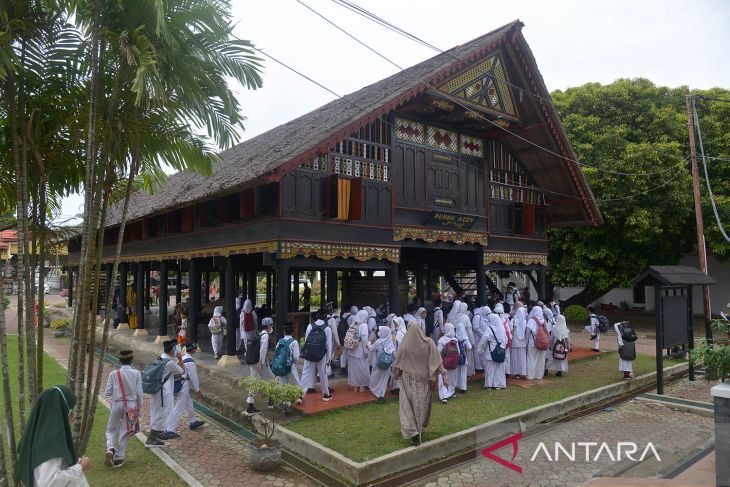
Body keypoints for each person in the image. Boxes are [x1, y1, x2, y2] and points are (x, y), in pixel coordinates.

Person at [17, 385, 91, 487]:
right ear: (60, 412)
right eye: (70, 410)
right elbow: (48, 482)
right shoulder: (52, 442)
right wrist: (80, 467)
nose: (73, 415)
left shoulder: (36, 435)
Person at [393, 322, 447, 446]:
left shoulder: (404, 345)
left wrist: (396, 374)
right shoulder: (428, 343)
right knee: (420, 404)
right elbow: (437, 360)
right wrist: (443, 374)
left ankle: (413, 432)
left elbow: (398, 363)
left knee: (406, 406)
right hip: (422, 380)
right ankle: (417, 431)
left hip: (407, 380)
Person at [104, 350, 143, 468]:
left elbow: (108, 392)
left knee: (111, 429)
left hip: (117, 404)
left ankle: (111, 448)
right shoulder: (137, 373)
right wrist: (138, 408)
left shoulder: (113, 374)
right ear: (131, 360)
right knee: (125, 430)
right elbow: (139, 394)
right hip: (131, 405)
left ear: (119, 360)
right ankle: (119, 457)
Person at [146, 340, 185, 446]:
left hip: (157, 391)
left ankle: (158, 435)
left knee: (157, 412)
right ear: (172, 350)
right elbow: (182, 371)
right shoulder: (169, 363)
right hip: (164, 393)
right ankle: (151, 439)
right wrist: (180, 358)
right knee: (162, 413)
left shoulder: (160, 358)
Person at [165, 342, 205, 436]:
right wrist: (197, 389)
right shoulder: (190, 361)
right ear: (193, 350)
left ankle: (193, 421)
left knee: (189, 403)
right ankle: (170, 429)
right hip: (183, 384)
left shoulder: (183, 357)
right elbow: (193, 376)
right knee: (179, 407)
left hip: (180, 382)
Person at [243, 317, 275, 415]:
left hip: (254, 361)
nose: (272, 327)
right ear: (268, 325)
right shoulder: (265, 336)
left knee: (255, 382)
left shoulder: (259, 334)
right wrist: (261, 364)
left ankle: (251, 405)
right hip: (260, 362)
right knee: (272, 379)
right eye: (271, 325)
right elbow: (262, 350)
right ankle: (271, 401)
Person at [300, 311, 333, 401]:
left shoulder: (310, 326)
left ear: (317, 317)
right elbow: (328, 345)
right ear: (326, 317)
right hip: (321, 355)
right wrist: (329, 358)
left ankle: (300, 395)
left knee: (305, 374)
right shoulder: (327, 328)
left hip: (309, 354)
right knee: (323, 374)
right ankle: (326, 395)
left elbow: (307, 340)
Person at [479, 313, 509, 389]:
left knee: (490, 368)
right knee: (499, 368)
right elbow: (506, 339)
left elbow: (484, 338)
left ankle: (489, 384)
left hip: (491, 351)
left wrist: (480, 348)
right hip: (501, 350)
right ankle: (498, 384)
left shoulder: (489, 328)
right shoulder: (502, 328)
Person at [276, 322, 304, 397]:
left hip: (281, 365)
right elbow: (296, 357)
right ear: (293, 332)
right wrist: (293, 362)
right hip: (290, 365)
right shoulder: (294, 342)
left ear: (284, 331)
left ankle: (285, 401)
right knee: (296, 382)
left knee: (283, 384)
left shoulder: (280, 341)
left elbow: (276, 352)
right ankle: (300, 396)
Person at [368, 325, 395, 401]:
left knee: (376, 377)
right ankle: (381, 394)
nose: (379, 332)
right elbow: (394, 354)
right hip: (387, 364)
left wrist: (368, 343)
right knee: (384, 379)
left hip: (378, 363)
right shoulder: (390, 342)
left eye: (380, 331)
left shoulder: (378, 341)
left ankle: (375, 390)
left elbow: (371, 349)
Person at [347, 309, 370, 392]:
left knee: (354, 369)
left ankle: (355, 387)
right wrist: (366, 351)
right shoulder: (364, 325)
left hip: (351, 350)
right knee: (362, 368)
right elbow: (364, 339)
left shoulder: (353, 324)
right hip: (359, 350)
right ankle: (362, 387)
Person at [436, 323, 458, 403]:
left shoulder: (442, 340)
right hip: (453, 363)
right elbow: (458, 352)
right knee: (452, 378)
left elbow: (438, 352)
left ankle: (444, 395)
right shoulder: (455, 340)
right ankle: (451, 391)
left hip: (444, 362)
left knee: (443, 377)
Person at [525, 306, 548, 381]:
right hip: (543, 343)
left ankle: (531, 376)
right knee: (541, 360)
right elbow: (548, 332)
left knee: (531, 359)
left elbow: (528, 332)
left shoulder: (532, 320)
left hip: (533, 343)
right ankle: (539, 376)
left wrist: (526, 343)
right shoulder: (544, 321)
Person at [509, 299, 528, 378]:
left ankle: (516, 373)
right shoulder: (525, 322)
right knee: (522, 358)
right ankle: (522, 372)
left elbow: (510, 330)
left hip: (515, 342)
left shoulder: (513, 320)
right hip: (522, 342)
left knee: (515, 358)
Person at [454, 321, 473, 393]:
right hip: (463, 358)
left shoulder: (454, 338)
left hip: (455, 358)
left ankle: (456, 385)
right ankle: (463, 387)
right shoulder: (465, 338)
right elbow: (469, 347)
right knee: (463, 372)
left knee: (457, 372)